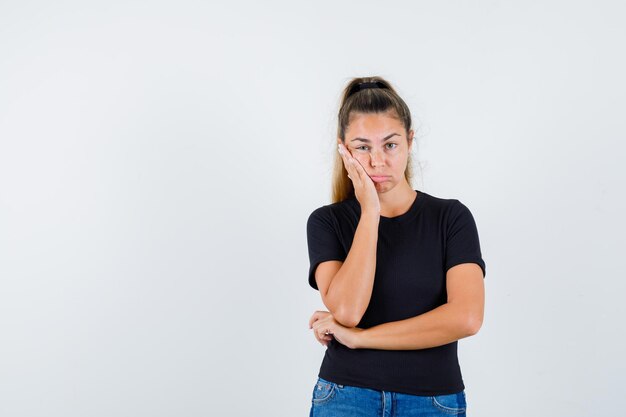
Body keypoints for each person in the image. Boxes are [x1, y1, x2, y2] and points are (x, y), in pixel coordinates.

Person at [306, 76, 486, 417]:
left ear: (409, 141)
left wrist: (360, 338)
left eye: (390, 145)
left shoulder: (450, 218)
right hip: (346, 397)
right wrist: (370, 212)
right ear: (343, 148)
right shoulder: (327, 222)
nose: (377, 162)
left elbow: (466, 317)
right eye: (362, 147)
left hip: (433, 401)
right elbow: (347, 312)